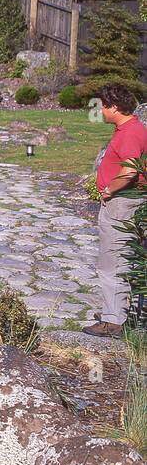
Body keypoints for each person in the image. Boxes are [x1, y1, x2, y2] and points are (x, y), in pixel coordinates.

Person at [84, 83, 147, 338]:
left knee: (112, 261)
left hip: (121, 204)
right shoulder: (133, 128)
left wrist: (109, 189)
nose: (99, 111)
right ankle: (124, 311)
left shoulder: (130, 133)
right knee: (129, 259)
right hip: (130, 201)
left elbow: (130, 170)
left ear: (114, 107)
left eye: (102, 106)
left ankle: (113, 320)